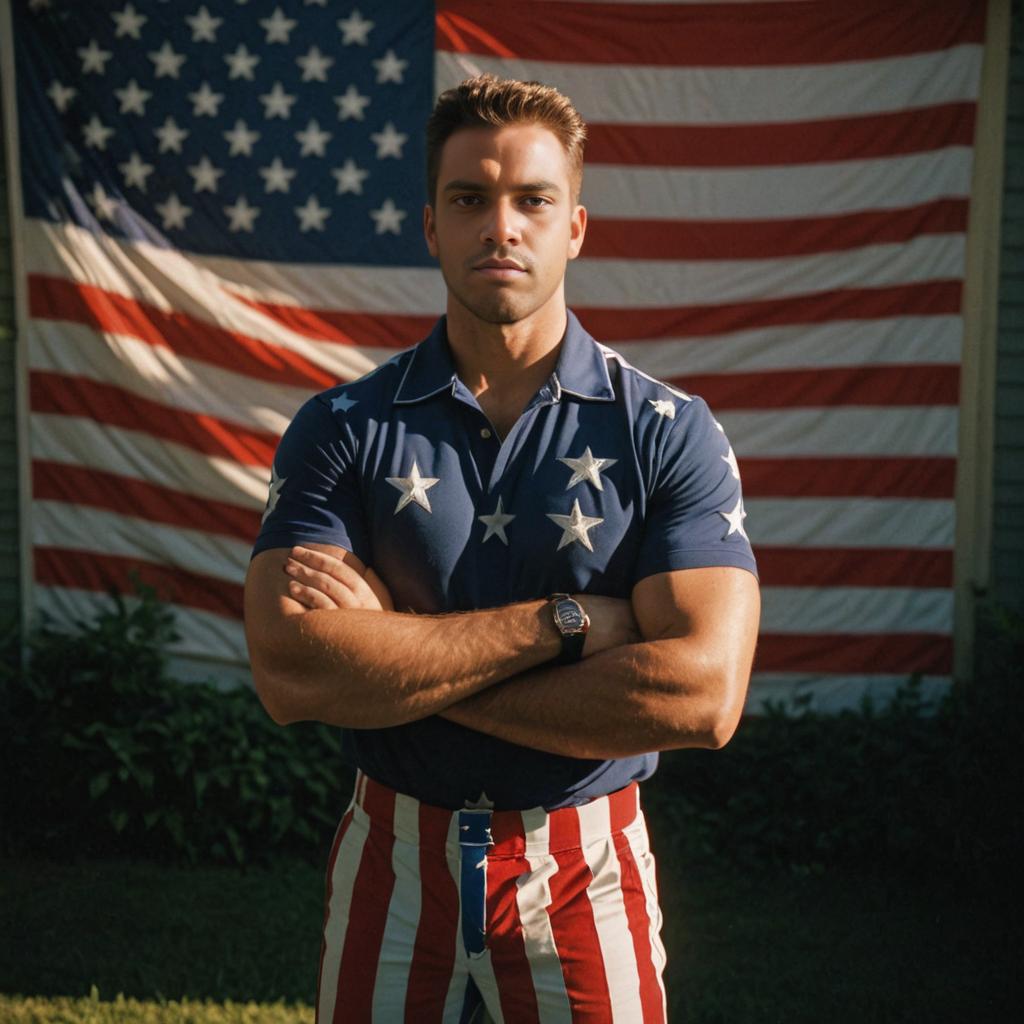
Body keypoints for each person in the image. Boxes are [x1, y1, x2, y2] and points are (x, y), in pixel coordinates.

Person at [244, 74, 760, 1024]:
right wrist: (566, 626)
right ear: (432, 226)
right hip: (392, 861)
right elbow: (289, 673)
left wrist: (398, 660)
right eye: (470, 199)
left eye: (533, 199)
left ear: (576, 227)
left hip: (584, 865)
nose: (502, 226)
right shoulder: (343, 427)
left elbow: (703, 695)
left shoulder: (666, 431)